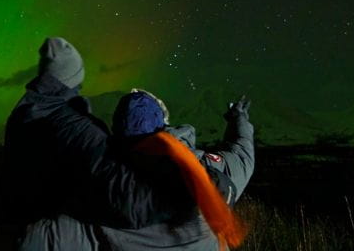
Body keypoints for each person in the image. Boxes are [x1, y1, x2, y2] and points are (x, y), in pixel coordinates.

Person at [0, 37, 176, 250]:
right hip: (49, 239)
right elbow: (130, 201)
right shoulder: (76, 127)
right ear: (74, 77)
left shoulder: (24, 115)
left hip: (4, 237)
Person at [95, 89, 255, 251]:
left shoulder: (101, 182)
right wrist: (239, 118)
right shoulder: (202, 171)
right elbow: (242, 158)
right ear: (163, 124)